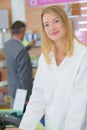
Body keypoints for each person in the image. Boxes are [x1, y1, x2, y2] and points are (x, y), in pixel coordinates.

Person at [5, 5, 87, 130]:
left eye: (56, 21)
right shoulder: (46, 56)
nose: (51, 28)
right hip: (51, 125)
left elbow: (79, 104)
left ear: (65, 21)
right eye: (46, 24)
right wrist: (24, 128)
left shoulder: (82, 55)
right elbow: (38, 95)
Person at [4, 20, 35, 108]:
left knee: (15, 117)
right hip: (21, 93)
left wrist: (29, 46)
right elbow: (24, 76)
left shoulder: (8, 45)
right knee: (22, 119)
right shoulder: (21, 50)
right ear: (21, 32)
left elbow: (17, 55)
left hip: (12, 89)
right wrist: (26, 96)